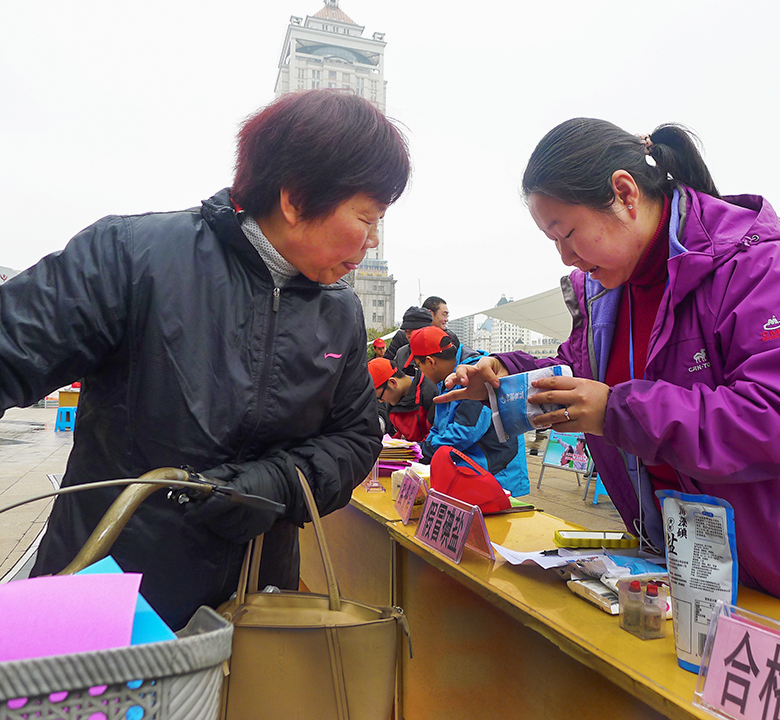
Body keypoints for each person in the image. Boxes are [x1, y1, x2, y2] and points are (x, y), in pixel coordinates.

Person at [0, 89, 410, 628]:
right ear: (295, 198)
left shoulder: (340, 311)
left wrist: (278, 482)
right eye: (367, 216)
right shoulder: (132, 256)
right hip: (107, 599)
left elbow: (356, 437)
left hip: (256, 604)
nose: (372, 240)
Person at [437, 119, 780, 610]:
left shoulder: (759, 268)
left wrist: (616, 411)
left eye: (568, 234)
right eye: (551, 242)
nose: (564, 258)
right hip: (688, 565)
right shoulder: (606, 293)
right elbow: (576, 372)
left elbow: (778, 415)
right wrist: (503, 370)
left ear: (625, 193)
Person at [411, 326, 529, 498]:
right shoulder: (447, 379)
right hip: (471, 469)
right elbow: (439, 427)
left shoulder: (476, 374)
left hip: (497, 473)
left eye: (418, 366)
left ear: (430, 361)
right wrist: (419, 452)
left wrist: (422, 452)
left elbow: (466, 431)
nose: (420, 373)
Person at [367, 357, 437, 442]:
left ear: (393, 382)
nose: (381, 401)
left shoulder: (430, 393)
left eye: (380, 397)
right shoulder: (392, 401)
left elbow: (436, 436)